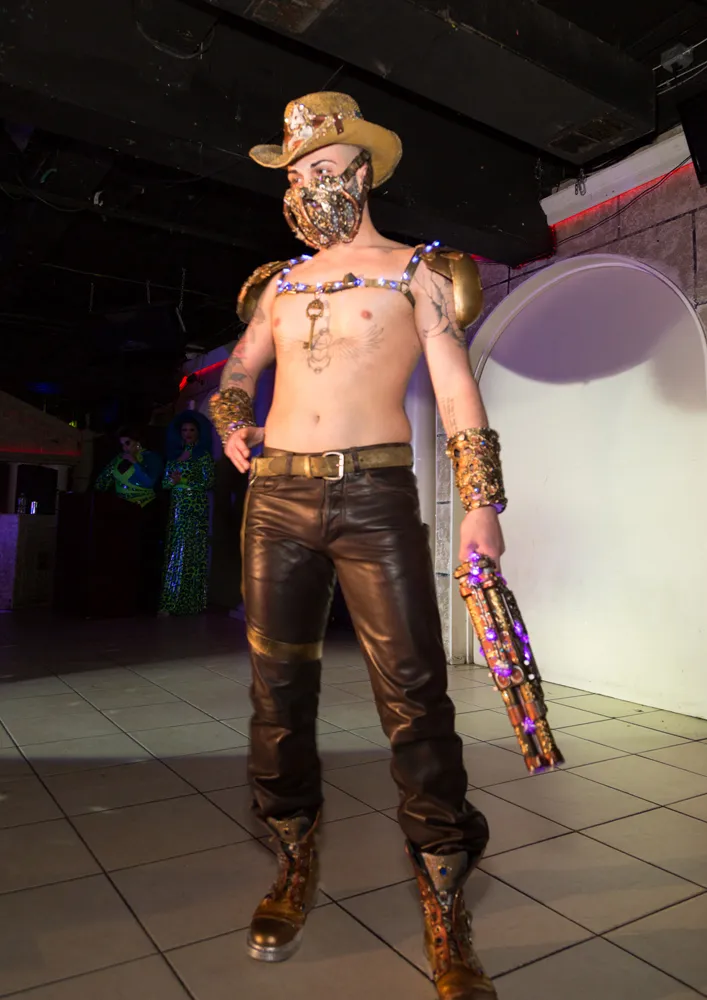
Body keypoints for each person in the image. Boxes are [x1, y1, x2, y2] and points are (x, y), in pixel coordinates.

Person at [210, 92, 506, 1000]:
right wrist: (230, 416)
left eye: (322, 167)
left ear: (362, 170)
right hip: (276, 499)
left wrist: (481, 503)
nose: (308, 185)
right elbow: (239, 368)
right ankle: (292, 858)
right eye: (296, 173)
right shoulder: (277, 284)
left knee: (414, 693)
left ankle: (443, 890)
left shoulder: (419, 272)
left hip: (374, 498)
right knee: (276, 696)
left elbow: (454, 390)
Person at [159, 411, 215, 616]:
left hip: (196, 506)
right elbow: (165, 484)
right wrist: (173, 480)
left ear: (198, 432)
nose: (188, 433)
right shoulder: (175, 457)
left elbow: (209, 482)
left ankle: (192, 602)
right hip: (178, 506)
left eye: (192, 430)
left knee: (193, 549)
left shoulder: (203, 457)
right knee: (176, 549)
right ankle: (171, 602)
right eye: (184, 430)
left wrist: (185, 481)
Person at [93, 427, 162, 507]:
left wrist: (135, 462)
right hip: (120, 505)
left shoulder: (151, 457)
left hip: (144, 506)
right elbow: (105, 478)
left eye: (127, 443)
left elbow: (149, 482)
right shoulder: (120, 457)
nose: (124, 448)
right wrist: (96, 494)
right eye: (122, 445)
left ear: (138, 442)